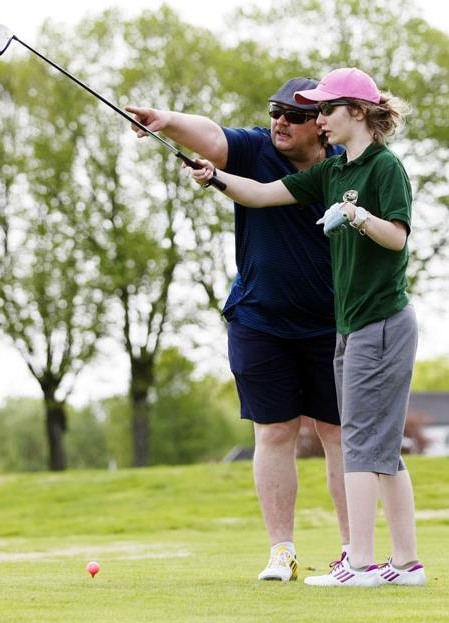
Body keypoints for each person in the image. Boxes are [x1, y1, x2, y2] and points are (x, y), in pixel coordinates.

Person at [189, 67, 425, 587]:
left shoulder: (384, 168)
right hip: (352, 325)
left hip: (381, 322)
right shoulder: (333, 174)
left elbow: (396, 238)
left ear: (357, 113)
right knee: (377, 448)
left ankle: (360, 563)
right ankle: (406, 564)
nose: (318, 119)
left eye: (325, 109)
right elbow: (262, 194)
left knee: (362, 443)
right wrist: (216, 177)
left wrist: (356, 216)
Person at [126, 77, 350, 583]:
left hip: (331, 322)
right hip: (259, 319)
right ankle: (282, 552)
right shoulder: (255, 149)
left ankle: (353, 551)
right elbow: (211, 135)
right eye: (275, 111)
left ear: (321, 123)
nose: (279, 122)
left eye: (292, 115)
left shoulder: (344, 168)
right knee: (274, 432)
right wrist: (168, 120)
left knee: (338, 433)